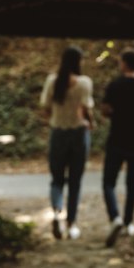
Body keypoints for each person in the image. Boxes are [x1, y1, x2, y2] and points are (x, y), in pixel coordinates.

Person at [40, 46, 95, 240]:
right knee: (75, 181)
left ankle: (56, 212)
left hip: (58, 133)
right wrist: (91, 123)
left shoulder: (52, 81)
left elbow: (45, 108)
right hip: (79, 134)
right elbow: (87, 109)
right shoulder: (84, 83)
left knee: (56, 179)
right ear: (78, 62)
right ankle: (71, 224)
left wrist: (56, 119)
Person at [101, 48, 134, 247]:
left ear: (124, 64)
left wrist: (117, 114)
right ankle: (129, 222)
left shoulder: (115, 85)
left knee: (108, 182)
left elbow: (105, 110)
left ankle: (115, 218)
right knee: (132, 184)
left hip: (116, 140)